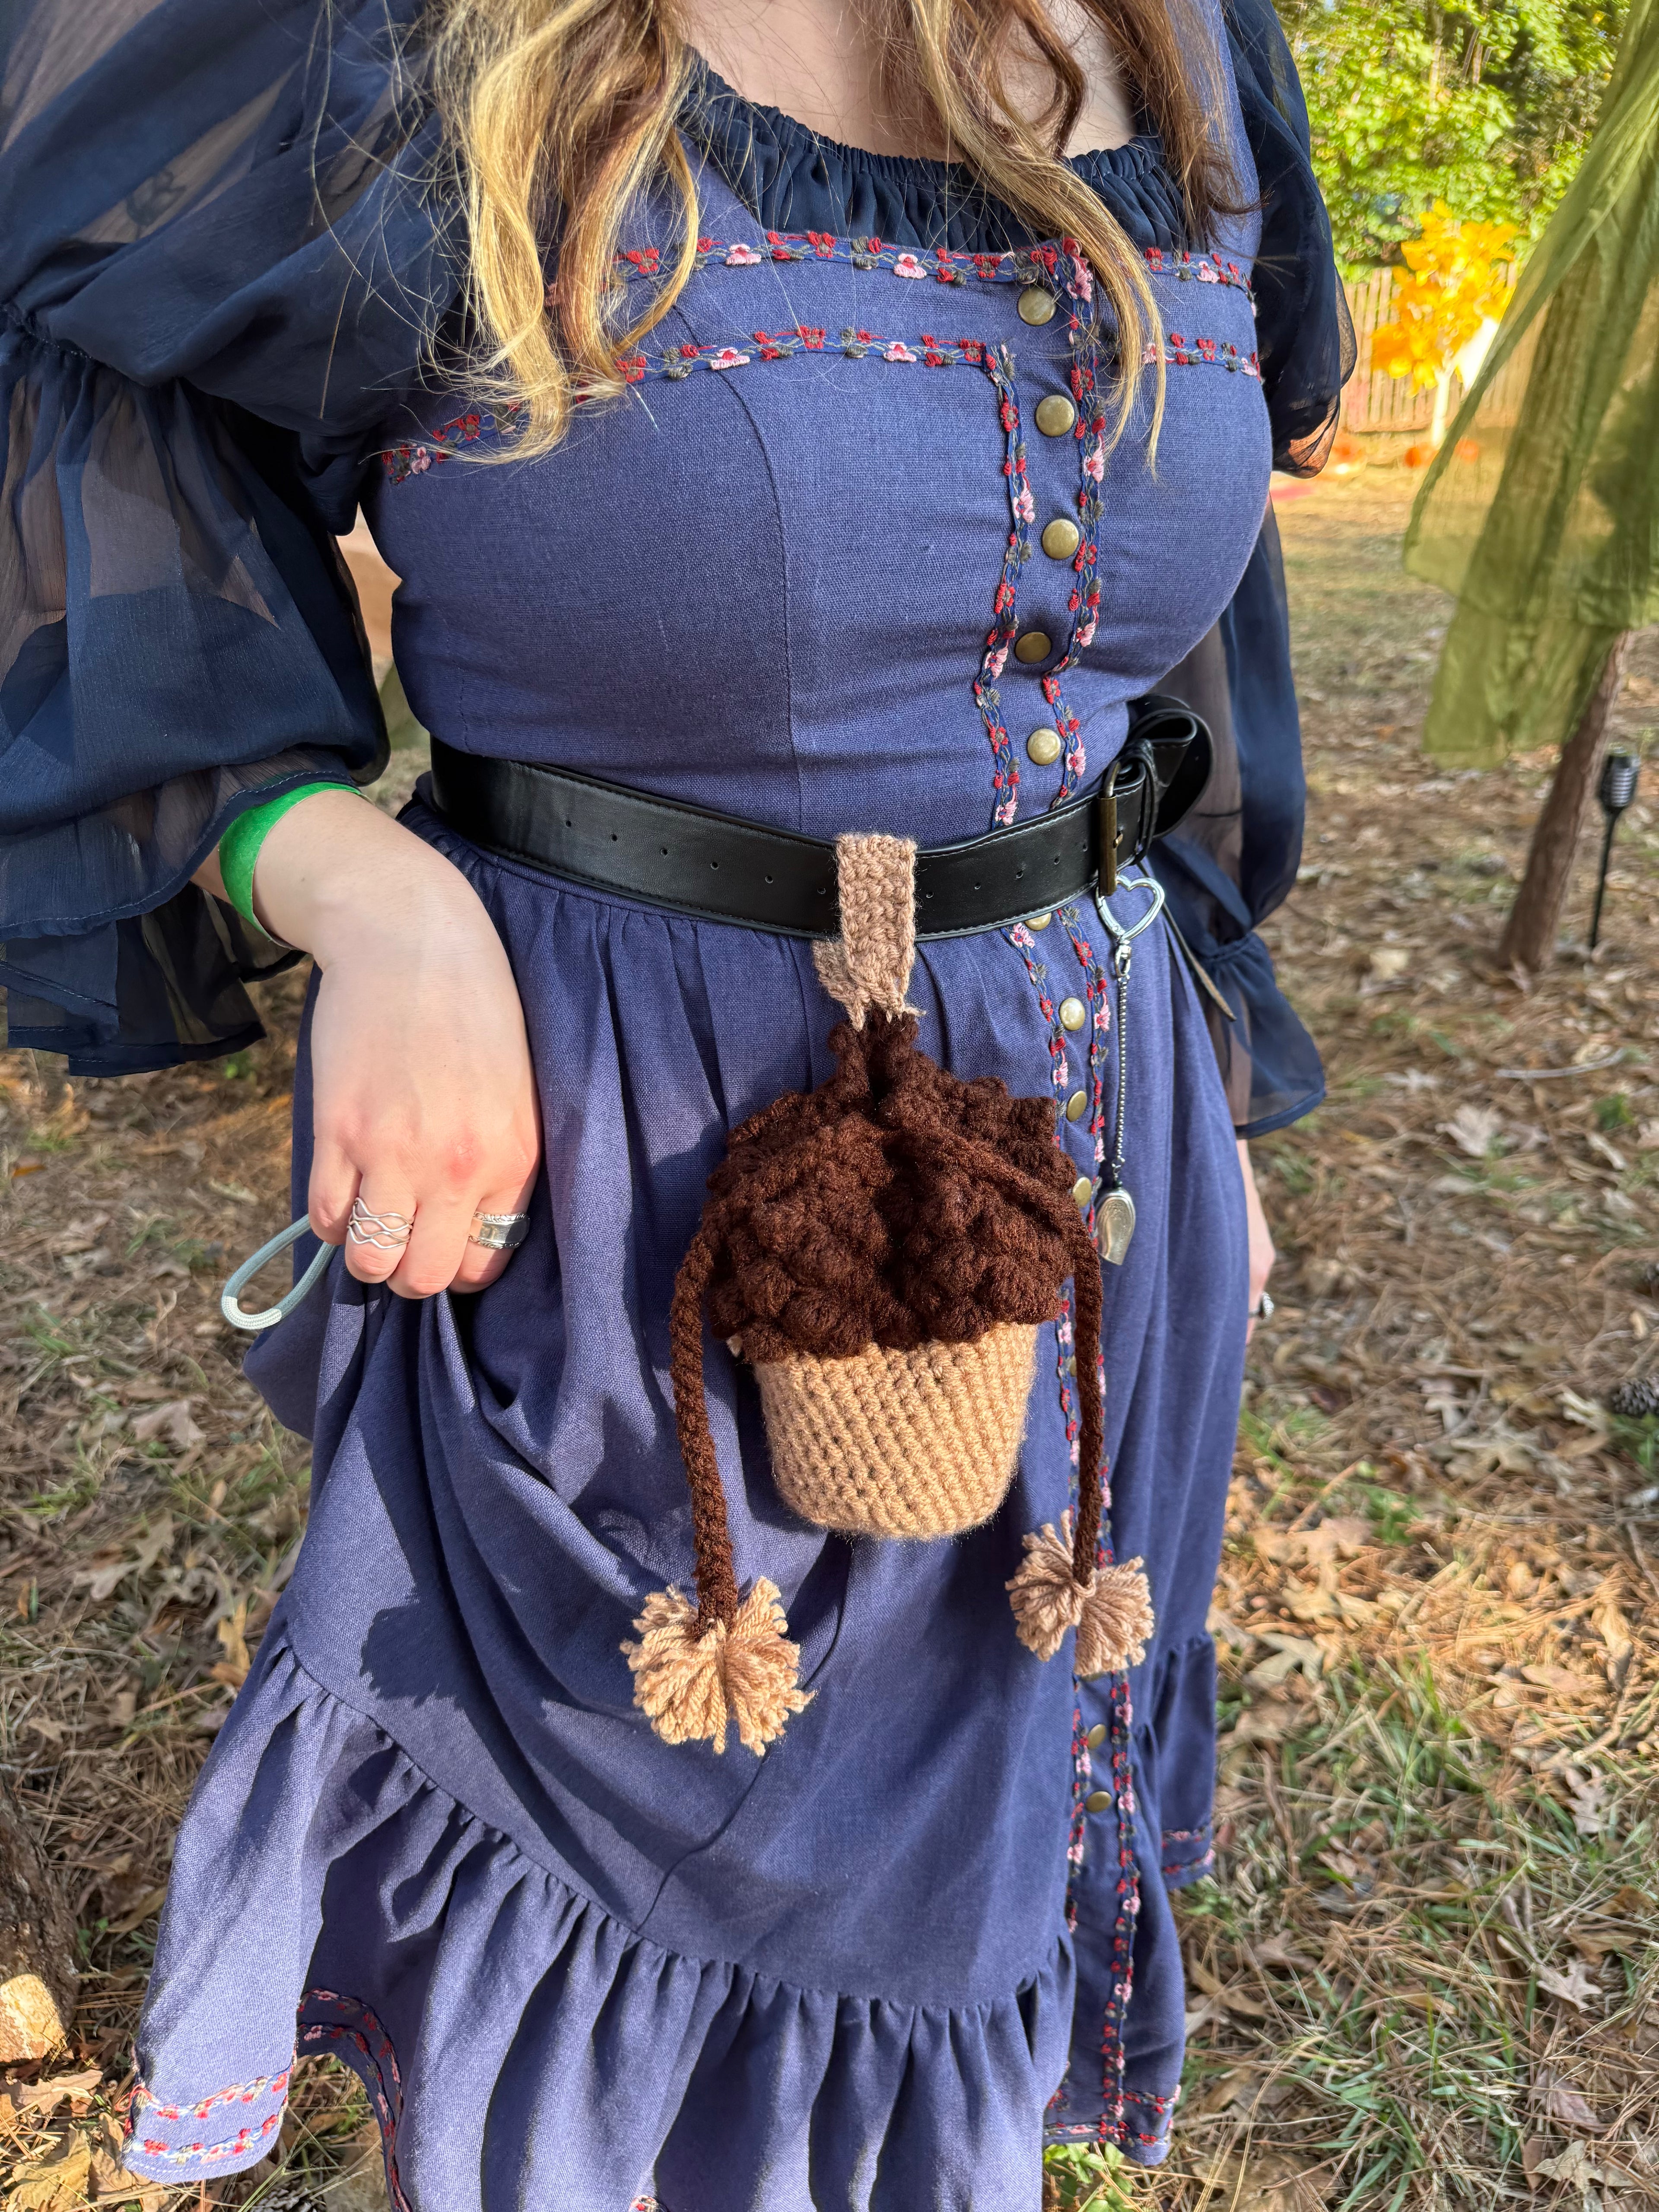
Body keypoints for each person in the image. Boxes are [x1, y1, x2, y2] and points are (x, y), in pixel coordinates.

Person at [0, 0, 1347, 2202]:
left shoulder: (1189, 39)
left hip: (1079, 1178)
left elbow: (1172, 604)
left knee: (973, 1879)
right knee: (663, 1913)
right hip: (644, 1182)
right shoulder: (395, 53)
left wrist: (1186, 999)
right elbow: (82, 407)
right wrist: (348, 881)